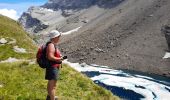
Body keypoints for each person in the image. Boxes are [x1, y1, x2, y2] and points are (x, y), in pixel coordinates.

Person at [45, 30, 62, 100]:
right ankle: (52, 98)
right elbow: (50, 56)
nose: (59, 38)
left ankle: (49, 97)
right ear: (54, 37)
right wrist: (58, 59)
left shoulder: (51, 44)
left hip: (51, 67)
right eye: (58, 36)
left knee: (50, 84)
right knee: (53, 86)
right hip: (53, 67)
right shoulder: (51, 45)